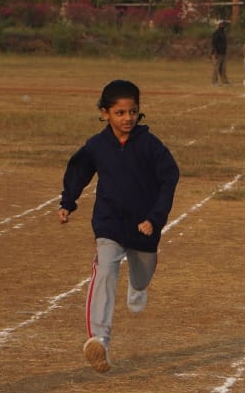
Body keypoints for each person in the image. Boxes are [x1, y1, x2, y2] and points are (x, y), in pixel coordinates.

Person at [58, 80, 180, 374]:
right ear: (104, 113)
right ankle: (99, 340)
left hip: (144, 227)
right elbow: (79, 170)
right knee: (105, 270)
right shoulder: (97, 146)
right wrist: (68, 201)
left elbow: (169, 178)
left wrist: (155, 218)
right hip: (109, 223)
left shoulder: (150, 145)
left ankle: (138, 288)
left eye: (132, 112)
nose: (127, 118)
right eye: (120, 112)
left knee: (140, 277)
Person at [210, 20, 229, 85]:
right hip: (217, 53)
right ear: (219, 25)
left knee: (223, 68)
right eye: (222, 24)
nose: (223, 25)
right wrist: (215, 52)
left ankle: (225, 81)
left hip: (223, 53)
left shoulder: (223, 32)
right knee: (216, 68)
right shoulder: (216, 33)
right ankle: (214, 82)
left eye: (223, 24)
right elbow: (213, 43)